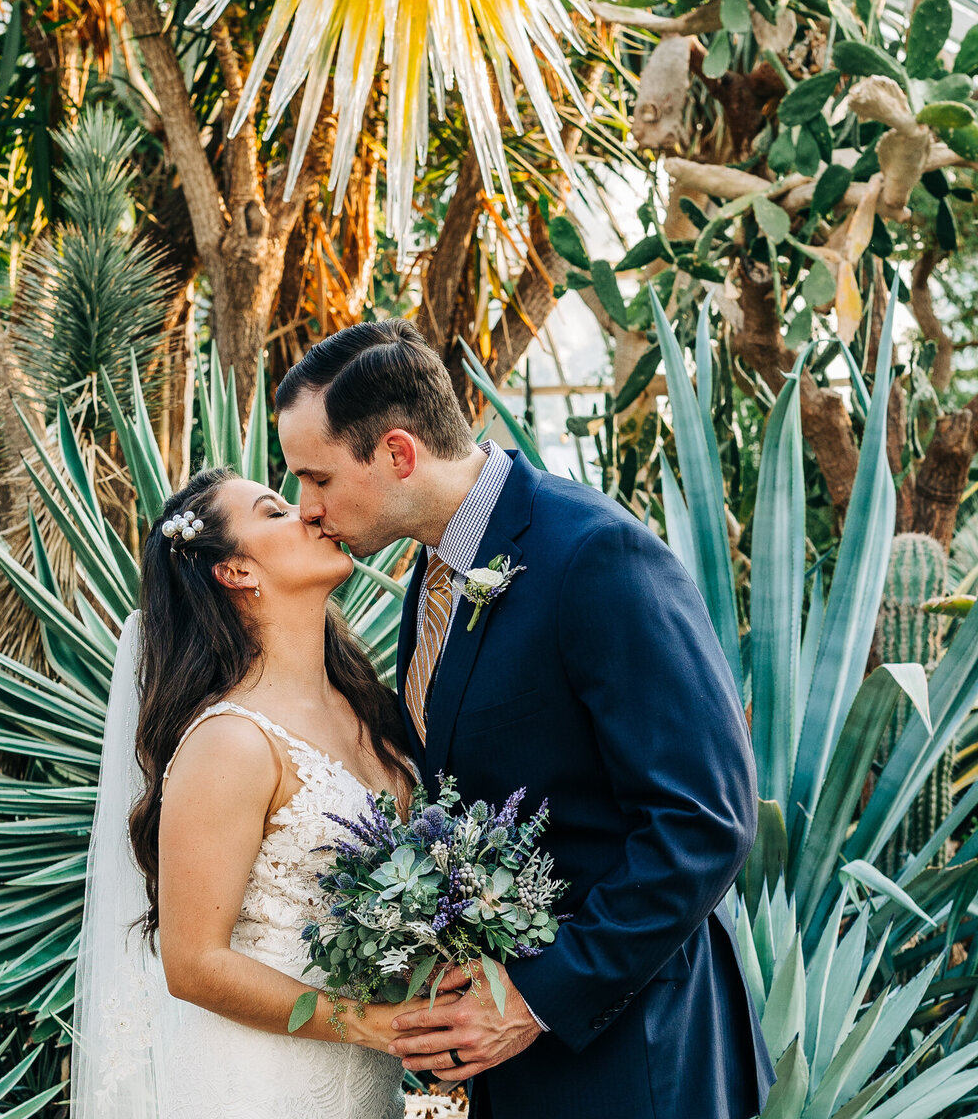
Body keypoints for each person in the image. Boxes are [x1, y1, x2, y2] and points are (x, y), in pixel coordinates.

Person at [276, 318, 776, 1119]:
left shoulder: (595, 555)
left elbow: (705, 818)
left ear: (398, 454)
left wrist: (536, 997)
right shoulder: (435, 572)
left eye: (318, 477)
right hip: (516, 1060)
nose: (306, 507)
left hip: (635, 1047)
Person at [70, 464, 451, 1119]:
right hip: (256, 1086)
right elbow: (193, 965)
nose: (307, 512)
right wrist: (370, 1023)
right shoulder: (230, 741)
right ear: (236, 571)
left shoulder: (374, 711)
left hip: (364, 1083)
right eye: (274, 511)